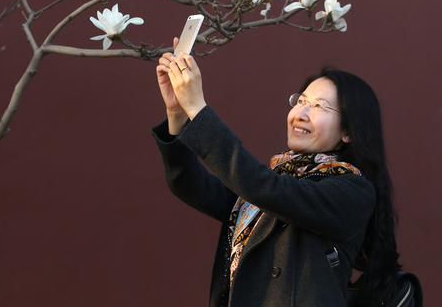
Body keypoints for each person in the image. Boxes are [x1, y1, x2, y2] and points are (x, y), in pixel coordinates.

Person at [153, 45, 401, 307]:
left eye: (319, 107)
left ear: (349, 132)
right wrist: (177, 113)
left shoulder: (353, 190)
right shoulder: (279, 180)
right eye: (301, 101)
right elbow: (192, 185)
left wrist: (199, 109)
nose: (301, 114)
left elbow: (265, 188)